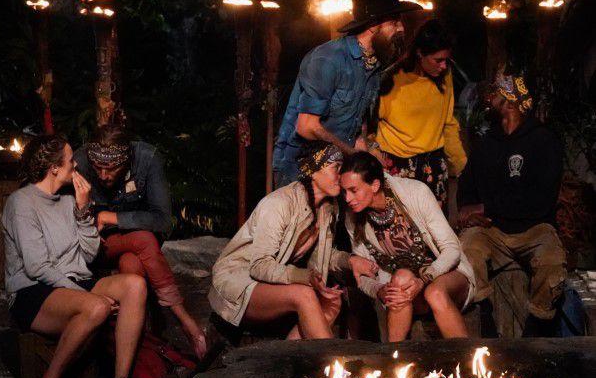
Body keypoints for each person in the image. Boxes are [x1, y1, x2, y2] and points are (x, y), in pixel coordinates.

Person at [3, 135, 146, 378]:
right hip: (33, 290)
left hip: (74, 281)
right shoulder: (21, 202)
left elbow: (89, 255)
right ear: (54, 168)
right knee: (97, 307)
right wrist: (87, 295)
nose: (76, 165)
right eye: (71, 160)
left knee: (135, 285)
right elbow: (37, 268)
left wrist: (82, 210)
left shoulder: (70, 199)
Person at [209, 142, 377, 339]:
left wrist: (350, 260)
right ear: (313, 171)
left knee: (332, 302)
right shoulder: (279, 203)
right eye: (336, 168)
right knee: (303, 294)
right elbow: (259, 265)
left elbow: (322, 254)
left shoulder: (327, 208)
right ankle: (332, 358)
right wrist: (304, 276)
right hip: (238, 280)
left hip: (269, 281)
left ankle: (289, 353)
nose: (341, 177)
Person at [74, 125, 206, 358]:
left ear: (126, 161)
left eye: (111, 168)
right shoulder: (80, 161)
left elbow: (163, 221)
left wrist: (110, 217)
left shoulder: (146, 158)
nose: (103, 175)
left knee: (132, 264)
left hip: (137, 247)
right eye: (98, 168)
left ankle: (138, 350)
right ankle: (184, 320)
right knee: (143, 239)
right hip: (95, 245)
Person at [272, 0, 422, 187]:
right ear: (373, 25)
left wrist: (367, 150)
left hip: (336, 167)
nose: (401, 28)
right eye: (394, 22)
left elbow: (357, 120)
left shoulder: (374, 64)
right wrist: (353, 154)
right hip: (300, 169)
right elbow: (307, 127)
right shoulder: (328, 59)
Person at [458, 72, 565, 337]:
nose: (488, 96)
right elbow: (467, 190)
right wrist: (468, 212)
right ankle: (485, 322)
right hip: (493, 229)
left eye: (494, 92)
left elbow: (541, 200)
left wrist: (487, 208)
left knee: (552, 261)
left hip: (535, 228)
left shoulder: (543, 140)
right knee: (467, 250)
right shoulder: (487, 144)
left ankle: (536, 330)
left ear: (509, 99)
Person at [340, 152, 475, 342]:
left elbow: (452, 249)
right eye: (344, 191)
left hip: (447, 278)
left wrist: (424, 279)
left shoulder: (415, 192)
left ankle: (467, 357)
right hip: (407, 292)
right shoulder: (353, 217)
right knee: (400, 282)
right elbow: (362, 274)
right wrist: (379, 290)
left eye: (353, 190)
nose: (347, 198)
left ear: (375, 185)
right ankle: (395, 356)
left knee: (434, 293)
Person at [371, 20, 466, 212]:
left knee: (436, 226)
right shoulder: (392, 80)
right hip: (398, 165)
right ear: (420, 53)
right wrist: (373, 153)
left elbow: (448, 122)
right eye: (438, 60)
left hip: (433, 165)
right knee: (403, 225)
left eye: (446, 60)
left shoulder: (444, 75)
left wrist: (460, 164)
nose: (443, 65)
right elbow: (370, 126)